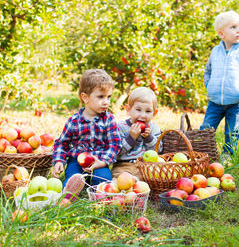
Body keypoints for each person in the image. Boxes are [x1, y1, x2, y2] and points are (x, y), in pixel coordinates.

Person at [52, 69, 122, 199]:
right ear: (85, 97)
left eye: (108, 97)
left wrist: (103, 162)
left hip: (98, 160)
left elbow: (115, 144)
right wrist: (58, 161)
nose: (106, 102)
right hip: (76, 161)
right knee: (73, 176)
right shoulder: (74, 121)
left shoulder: (109, 119)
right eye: (101, 97)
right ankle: (69, 194)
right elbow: (62, 143)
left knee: (103, 178)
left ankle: (100, 194)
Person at [200, 11, 239, 159]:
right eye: (233, 27)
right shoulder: (215, 52)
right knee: (206, 128)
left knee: (232, 131)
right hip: (215, 101)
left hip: (236, 101)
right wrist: (209, 86)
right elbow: (207, 71)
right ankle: (204, 153)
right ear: (221, 34)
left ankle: (227, 155)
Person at [111, 87, 162, 179]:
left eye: (148, 111)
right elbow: (116, 152)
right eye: (138, 110)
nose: (142, 115)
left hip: (147, 166)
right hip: (124, 166)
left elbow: (159, 150)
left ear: (154, 113)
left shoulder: (153, 128)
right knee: (120, 179)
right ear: (128, 109)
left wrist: (148, 137)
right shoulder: (120, 127)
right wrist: (131, 137)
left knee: (156, 178)